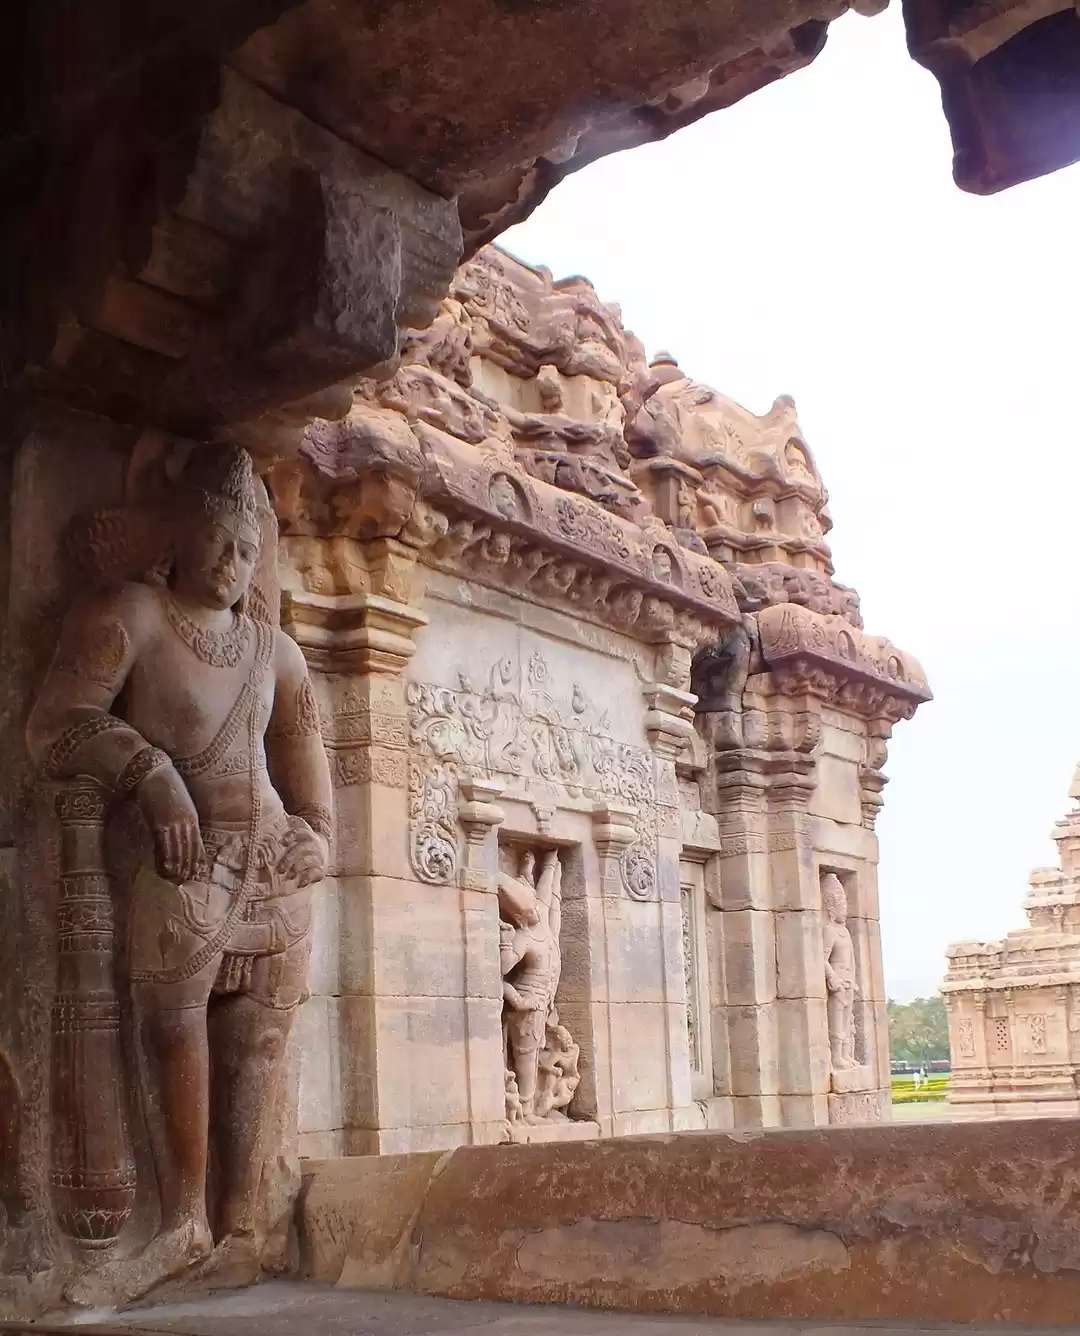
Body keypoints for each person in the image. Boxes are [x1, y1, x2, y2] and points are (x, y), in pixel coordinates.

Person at [27, 446, 333, 1303]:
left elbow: (312, 788)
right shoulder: (133, 614)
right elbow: (54, 724)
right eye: (219, 540)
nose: (233, 563)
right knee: (172, 1030)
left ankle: (242, 1226)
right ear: (181, 535)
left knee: (259, 1047)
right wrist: (148, 772)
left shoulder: (278, 655)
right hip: (182, 863)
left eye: (248, 549)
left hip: (269, 868)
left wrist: (315, 840)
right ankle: (180, 1222)